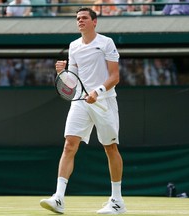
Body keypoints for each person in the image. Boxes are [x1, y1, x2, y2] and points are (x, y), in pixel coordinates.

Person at [39, 7, 126, 215]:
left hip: (103, 101)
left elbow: (115, 77)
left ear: (94, 22)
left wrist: (97, 91)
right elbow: (72, 81)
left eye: (84, 18)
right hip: (80, 102)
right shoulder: (74, 46)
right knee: (69, 144)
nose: (80, 21)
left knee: (110, 148)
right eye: (78, 18)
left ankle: (117, 201)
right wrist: (62, 73)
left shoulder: (106, 43)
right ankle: (58, 197)